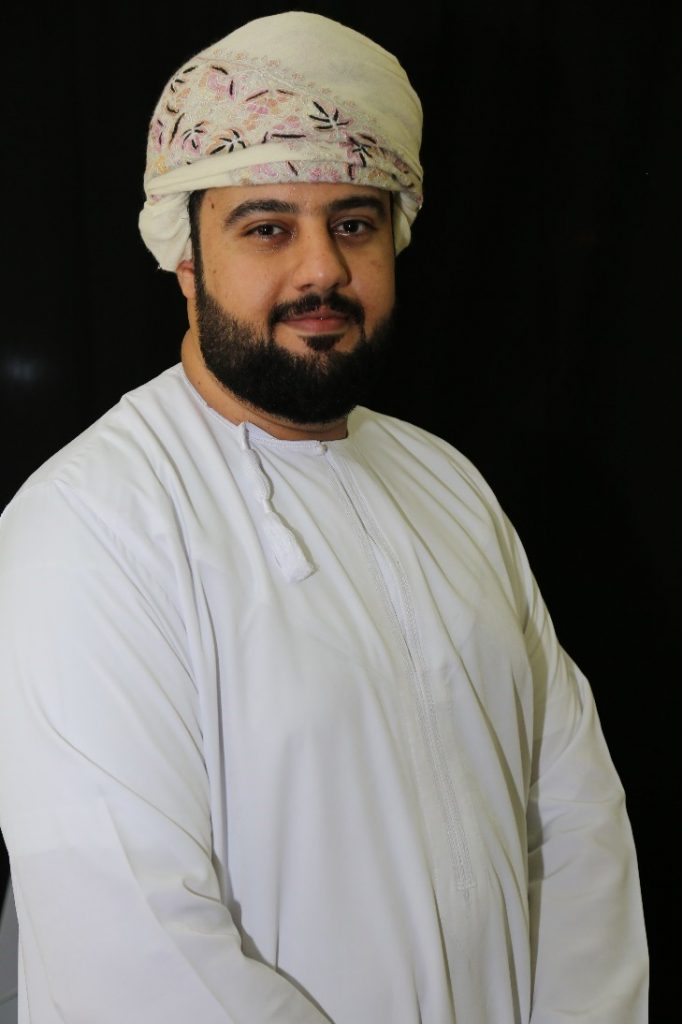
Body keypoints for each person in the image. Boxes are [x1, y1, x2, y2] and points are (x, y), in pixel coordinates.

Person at [0, 10, 648, 1023]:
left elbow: (574, 824)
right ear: (186, 257)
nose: (321, 271)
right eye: (267, 227)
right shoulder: (89, 526)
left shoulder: (448, 486)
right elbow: (135, 948)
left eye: (353, 223)